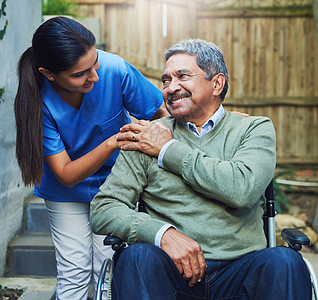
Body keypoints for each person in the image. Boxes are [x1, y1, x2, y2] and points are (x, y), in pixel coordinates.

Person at [90, 39, 312, 299]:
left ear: (216, 83)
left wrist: (167, 150)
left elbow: (241, 189)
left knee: (284, 262)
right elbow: (104, 208)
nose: (171, 88)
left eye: (182, 76)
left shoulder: (252, 130)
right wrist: (163, 234)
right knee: (136, 257)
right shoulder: (146, 136)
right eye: (165, 80)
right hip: (170, 272)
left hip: (241, 271)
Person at [14, 16, 168, 300]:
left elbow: (162, 115)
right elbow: (65, 174)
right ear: (49, 73)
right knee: (74, 274)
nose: (94, 77)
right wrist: (111, 142)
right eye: (80, 74)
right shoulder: (39, 99)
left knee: (108, 271)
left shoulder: (115, 69)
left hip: (115, 187)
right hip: (66, 193)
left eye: (94, 63)